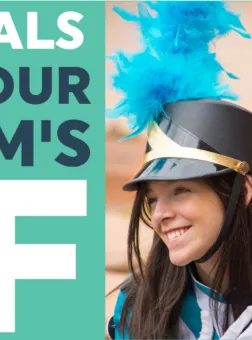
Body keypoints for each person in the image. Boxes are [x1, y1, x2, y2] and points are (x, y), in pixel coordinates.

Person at [105, 2, 252, 339]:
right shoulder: (134, 307)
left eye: (180, 190)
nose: (160, 214)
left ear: (242, 192)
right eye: (153, 199)